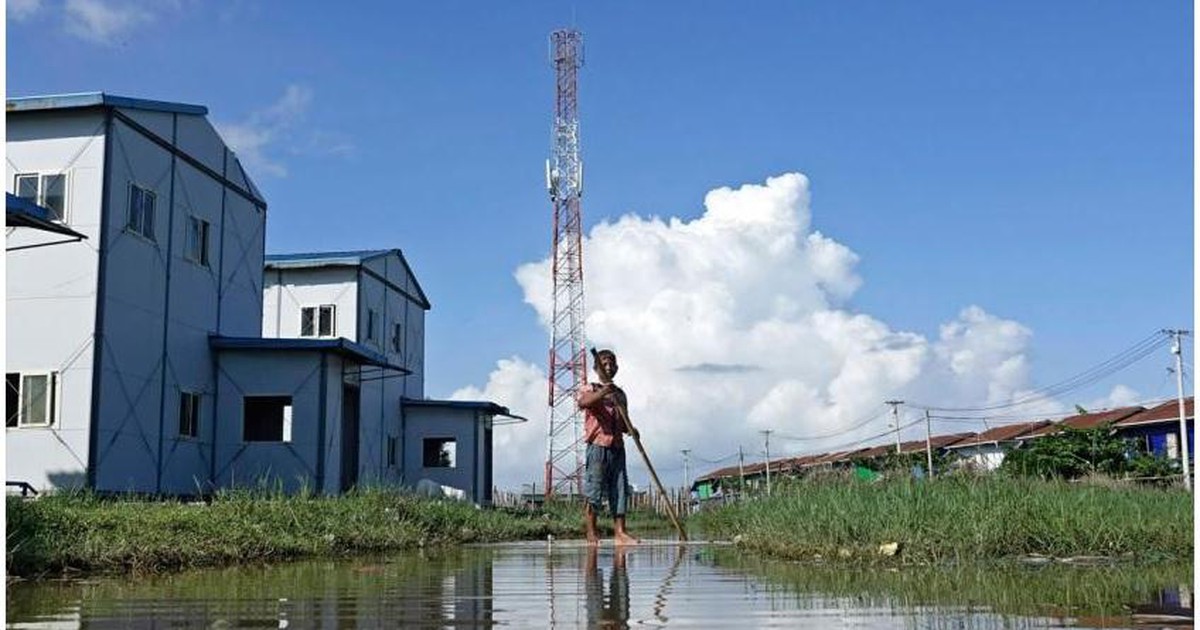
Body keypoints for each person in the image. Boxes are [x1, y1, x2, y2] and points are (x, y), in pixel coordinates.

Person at [578, 348, 640, 546]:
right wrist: (605, 391)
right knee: (594, 490)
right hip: (597, 446)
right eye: (604, 364)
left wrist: (632, 430)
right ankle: (591, 532)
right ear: (597, 368)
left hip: (617, 447)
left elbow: (623, 422)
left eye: (611, 364)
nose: (608, 367)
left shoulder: (620, 394)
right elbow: (584, 403)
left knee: (620, 489)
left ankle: (620, 532)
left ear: (617, 368)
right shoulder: (591, 388)